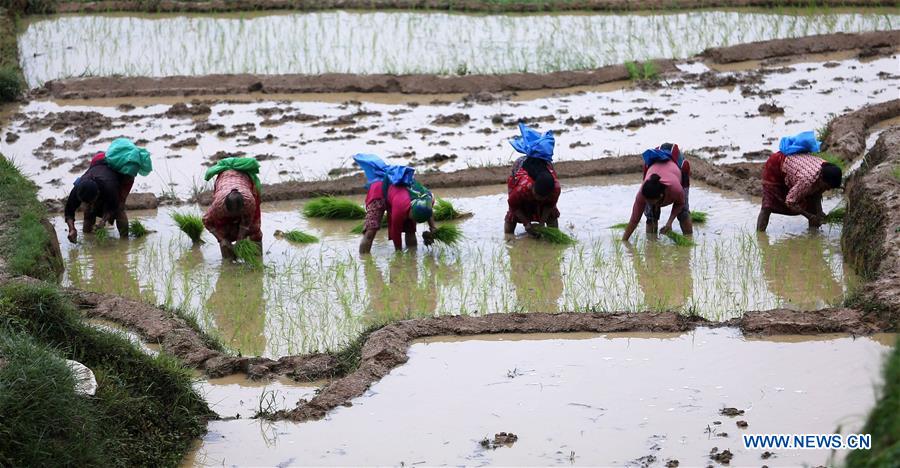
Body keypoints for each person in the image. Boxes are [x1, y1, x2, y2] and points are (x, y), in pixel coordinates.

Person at [64, 138, 152, 243]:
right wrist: (71, 229)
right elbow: (69, 211)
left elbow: (113, 206)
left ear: (98, 193)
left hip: (120, 178)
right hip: (99, 167)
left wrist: (104, 220)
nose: (92, 205)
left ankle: (124, 241)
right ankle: (89, 240)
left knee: (119, 210)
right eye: (87, 202)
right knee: (88, 212)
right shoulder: (78, 189)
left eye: (92, 202)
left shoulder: (110, 187)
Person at [757, 131, 842, 232]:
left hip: (795, 170)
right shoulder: (807, 181)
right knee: (768, 204)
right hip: (776, 166)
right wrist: (809, 216)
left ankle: (813, 238)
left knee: (812, 205)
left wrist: (819, 212)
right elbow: (790, 202)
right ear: (822, 178)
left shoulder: (826, 169)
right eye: (827, 186)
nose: (827, 189)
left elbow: (817, 194)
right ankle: (760, 236)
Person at [354, 154, 437, 254]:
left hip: (397, 191)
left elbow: (428, 210)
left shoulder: (425, 198)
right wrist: (399, 256)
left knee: (410, 230)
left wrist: (433, 228)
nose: (414, 220)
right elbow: (395, 234)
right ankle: (364, 260)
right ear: (411, 210)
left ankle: (412, 258)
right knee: (371, 230)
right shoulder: (400, 209)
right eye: (414, 218)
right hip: (379, 191)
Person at [622, 143, 692, 242]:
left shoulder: (675, 189)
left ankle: (689, 241)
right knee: (651, 216)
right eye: (647, 201)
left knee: (683, 213)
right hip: (655, 167)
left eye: (651, 201)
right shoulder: (642, 193)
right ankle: (651, 245)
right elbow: (634, 220)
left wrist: (669, 223)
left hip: (678, 164)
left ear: (661, 196)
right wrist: (624, 241)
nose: (648, 203)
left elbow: (680, 203)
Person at [504, 123, 561, 236]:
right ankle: (509, 238)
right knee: (512, 215)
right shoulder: (523, 187)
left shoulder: (555, 189)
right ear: (533, 186)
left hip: (542, 182)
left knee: (551, 215)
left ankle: (555, 234)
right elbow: (513, 205)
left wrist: (541, 223)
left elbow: (549, 206)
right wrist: (526, 224)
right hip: (519, 178)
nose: (538, 199)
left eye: (542, 197)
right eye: (537, 195)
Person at [202, 157, 263, 260]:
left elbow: (246, 222)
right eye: (232, 213)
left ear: (242, 207)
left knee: (254, 228)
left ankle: (258, 257)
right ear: (226, 208)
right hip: (224, 180)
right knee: (223, 230)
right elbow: (206, 221)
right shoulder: (218, 207)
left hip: (244, 180)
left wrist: (240, 239)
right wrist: (221, 239)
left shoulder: (249, 203)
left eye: (237, 212)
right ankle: (228, 260)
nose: (235, 215)